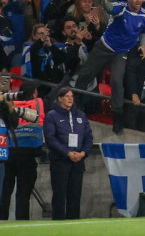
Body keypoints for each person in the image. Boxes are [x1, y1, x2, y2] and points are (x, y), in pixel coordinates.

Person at [73, 0, 145, 133]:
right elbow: (109, 8)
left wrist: (143, 45)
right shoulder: (121, 8)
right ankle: (75, 105)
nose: (138, 0)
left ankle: (117, 117)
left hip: (122, 52)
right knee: (86, 75)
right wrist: (104, 0)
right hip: (105, 46)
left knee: (116, 81)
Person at [43, 88, 92, 220]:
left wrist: (83, 153)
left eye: (72, 96)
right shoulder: (52, 115)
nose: (70, 99)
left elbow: (89, 138)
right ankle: (58, 225)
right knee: (59, 195)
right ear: (59, 98)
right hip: (60, 161)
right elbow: (50, 138)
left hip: (78, 162)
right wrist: (67, 153)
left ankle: (74, 225)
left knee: (75, 195)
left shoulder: (81, 116)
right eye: (66, 96)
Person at [0, 82, 44, 220]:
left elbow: (14, 122)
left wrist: (9, 108)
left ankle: (17, 221)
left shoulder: (4, 107)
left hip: (5, 156)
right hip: (11, 155)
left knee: (9, 192)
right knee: (4, 192)